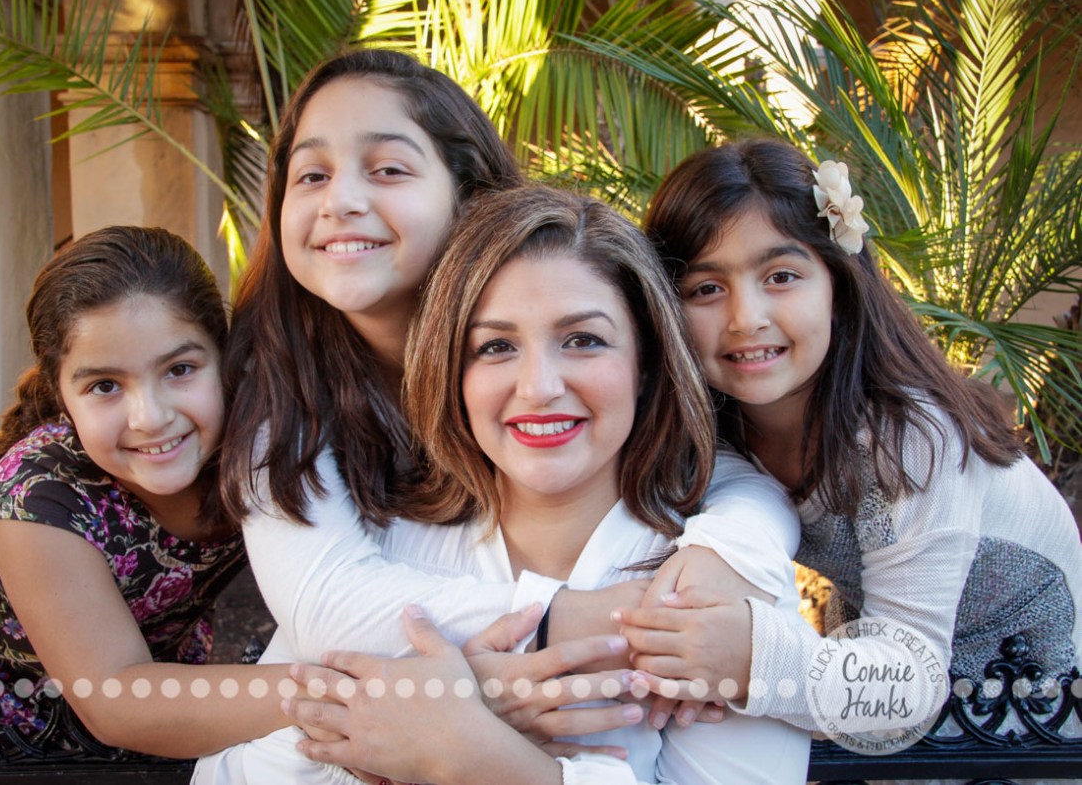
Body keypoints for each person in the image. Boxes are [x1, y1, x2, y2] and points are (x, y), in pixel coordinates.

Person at [211, 45, 799, 721]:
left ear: (472, 197)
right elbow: (327, 603)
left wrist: (734, 546)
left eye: (389, 169)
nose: (341, 200)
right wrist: (590, 622)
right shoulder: (280, 391)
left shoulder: (568, 283)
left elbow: (704, 457)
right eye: (310, 174)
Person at [279, 185, 812, 784]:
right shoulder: (384, 545)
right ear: (452, 370)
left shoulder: (719, 585)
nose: (537, 386)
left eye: (583, 340)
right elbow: (266, 762)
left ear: (646, 364)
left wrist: (475, 756)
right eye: (496, 346)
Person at [626, 137, 1082, 736]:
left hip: (1033, 717)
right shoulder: (714, 429)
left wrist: (745, 658)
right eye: (706, 289)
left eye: (781, 276)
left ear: (838, 286)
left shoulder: (911, 440)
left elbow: (912, 686)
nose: (746, 317)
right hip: (880, 679)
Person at [0, 227, 298, 757]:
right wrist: (348, 691)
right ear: (61, 395)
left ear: (225, 360)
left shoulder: (254, 440)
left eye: (180, 369)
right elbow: (116, 701)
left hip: (146, 675)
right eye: (104, 386)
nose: (151, 418)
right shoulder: (36, 502)